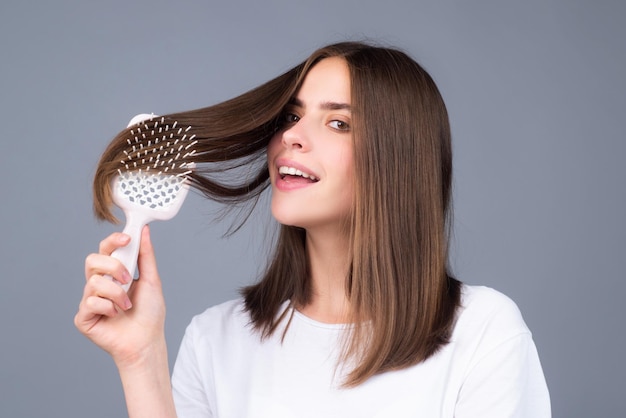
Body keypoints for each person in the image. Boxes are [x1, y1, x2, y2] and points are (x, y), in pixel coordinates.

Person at [75, 41, 551, 417]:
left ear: (400, 158)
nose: (293, 136)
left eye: (339, 122)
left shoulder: (484, 334)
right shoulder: (216, 339)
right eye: (292, 115)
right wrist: (140, 361)